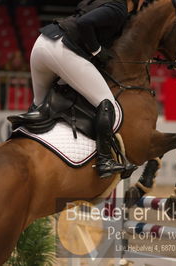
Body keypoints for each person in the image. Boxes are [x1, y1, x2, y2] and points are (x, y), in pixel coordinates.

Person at [10, 0, 144, 178]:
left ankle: (16, 144)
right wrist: (96, 51)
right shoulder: (119, 8)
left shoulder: (102, 1)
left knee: (40, 107)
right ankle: (105, 160)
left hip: (42, 45)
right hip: (62, 49)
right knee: (106, 103)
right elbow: (85, 23)